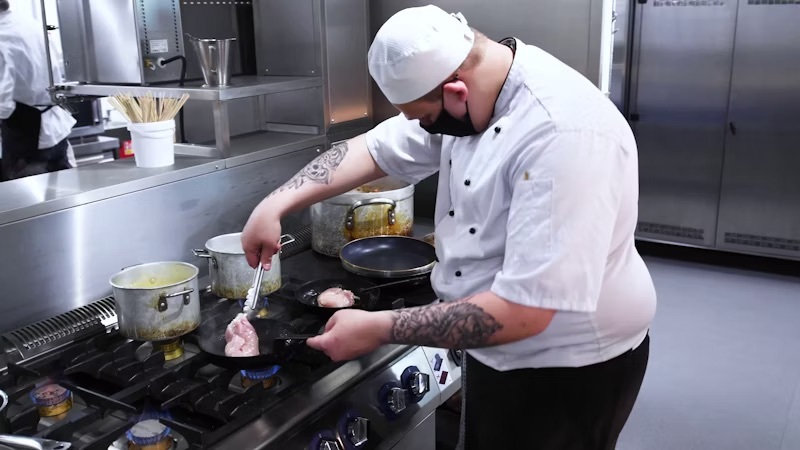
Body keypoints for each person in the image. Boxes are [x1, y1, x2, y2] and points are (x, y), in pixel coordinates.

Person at [241, 5, 657, 449]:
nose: (422, 128)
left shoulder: (564, 136)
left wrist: (378, 328)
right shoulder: (477, 88)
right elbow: (374, 150)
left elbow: (526, 312)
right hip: (495, 345)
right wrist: (275, 203)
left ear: (456, 90)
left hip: (568, 366)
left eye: (423, 118)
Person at [0, 0, 76, 181]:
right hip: (56, 131)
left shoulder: (3, 37)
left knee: (27, 205)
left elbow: (3, 105)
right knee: (65, 195)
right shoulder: (30, 26)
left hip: (28, 141)